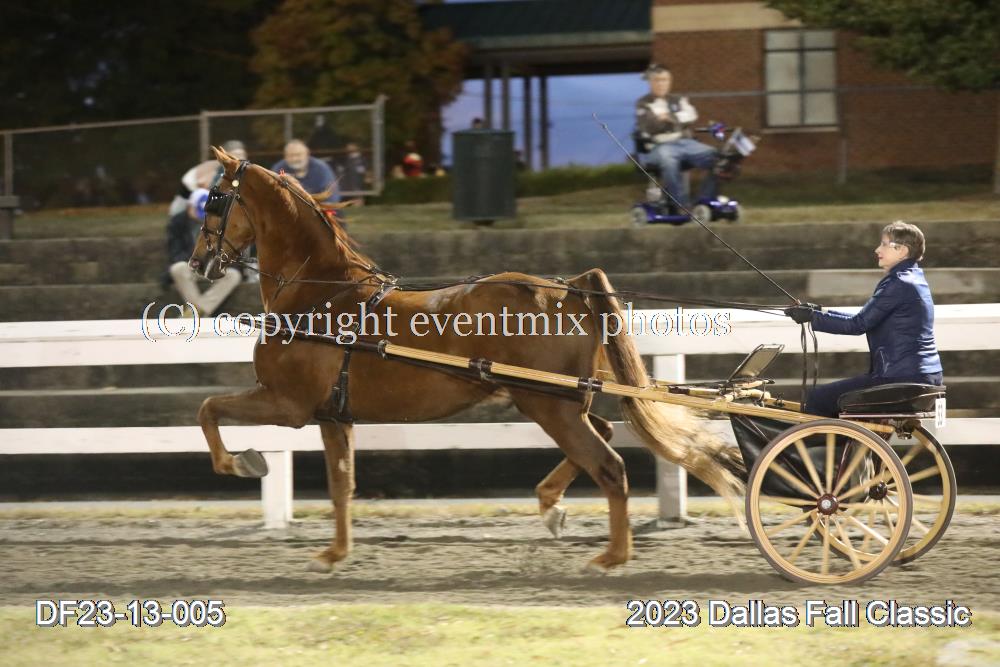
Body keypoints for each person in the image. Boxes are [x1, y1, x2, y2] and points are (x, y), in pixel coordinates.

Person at [785, 221, 944, 417]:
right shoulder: (912, 278)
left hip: (900, 378)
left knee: (818, 398)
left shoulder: (898, 283)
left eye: (884, 244)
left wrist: (812, 317)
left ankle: (823, 437)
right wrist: (818, 311)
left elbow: (857, 325)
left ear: (902, 250)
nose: (877, 249)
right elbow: (863, 319)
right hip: (921, 375)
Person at [635, 64, 717, 211]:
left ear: (670, 81)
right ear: (650, 82)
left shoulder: (679, 99)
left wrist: (668, 117)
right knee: (669, 161)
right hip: (659, 146)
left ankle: (703, 202)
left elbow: (692, 116)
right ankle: (681, 205)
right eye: (657, 80)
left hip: (685, 143)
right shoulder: (643, 103)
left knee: (719, 159)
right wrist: (677, 120)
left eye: (664, 80)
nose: (661, 84)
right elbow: (650, 126)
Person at [164, 187, 243, 316]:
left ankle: (196, 312)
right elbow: (175, 251)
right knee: (177, 268)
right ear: (190, 206)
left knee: (234, 275)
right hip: (190, 265)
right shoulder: (177, 223)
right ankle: (198, 313)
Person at [168, 140, 247, 219]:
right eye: (236, 154)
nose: (240, 157)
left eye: (242, 154)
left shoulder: (244, 170)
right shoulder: (218, 168)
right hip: (190, 195)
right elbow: (204, 185)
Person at [270, 139, 339, 205]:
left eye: (298, 155)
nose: (294, 159)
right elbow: (272, 193)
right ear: (285, 156)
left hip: (318, 208)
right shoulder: (278, 169)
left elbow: (332, 194)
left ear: (307, 153)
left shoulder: (321, 168)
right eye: (290, 155)